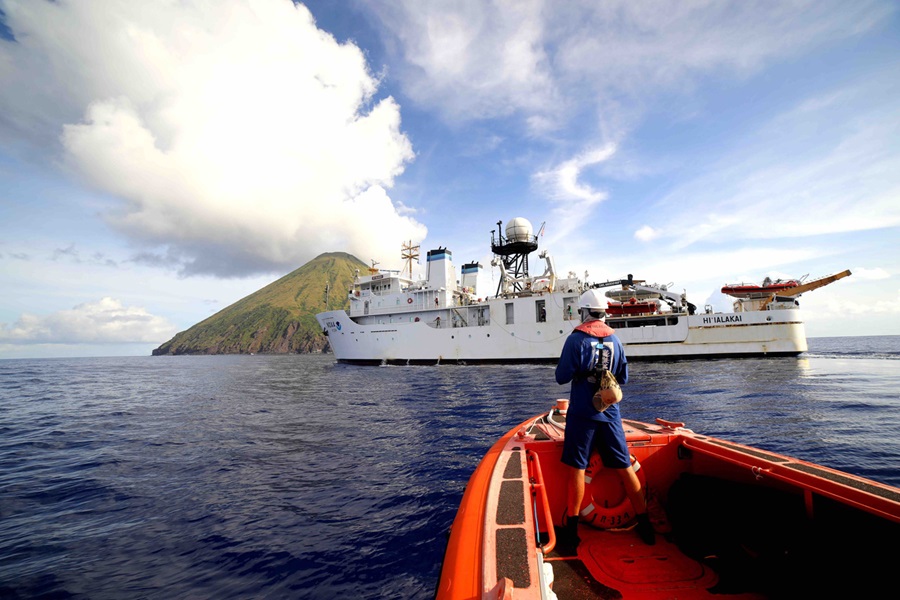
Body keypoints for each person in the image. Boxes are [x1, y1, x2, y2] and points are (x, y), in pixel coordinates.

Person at [555, 288, 655, 549]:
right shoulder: (617, 341)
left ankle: (572, 532)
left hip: (582, 414)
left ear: (584, 312)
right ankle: (645, 524)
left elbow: (561, 376)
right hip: (610, 415)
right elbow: (622, 379)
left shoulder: (575, 340)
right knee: (624, 466)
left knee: (577, 468)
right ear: (604, 314)